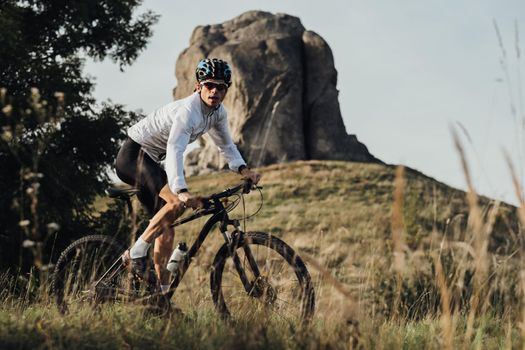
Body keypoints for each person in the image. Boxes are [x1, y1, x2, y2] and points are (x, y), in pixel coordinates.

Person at [115, 58, 261, 294]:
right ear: (198, 86)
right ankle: (135, 253)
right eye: (209, 85)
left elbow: (226, 146)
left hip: (152, 161)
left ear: (227, 89)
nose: (215, 91)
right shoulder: (188, 112)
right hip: (133, 156)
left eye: (221, 87)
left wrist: (244, 170)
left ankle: (160, 296)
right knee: (174, 202)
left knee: (167, 229)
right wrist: (181, 191)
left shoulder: (217, 113)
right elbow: (175, 149)